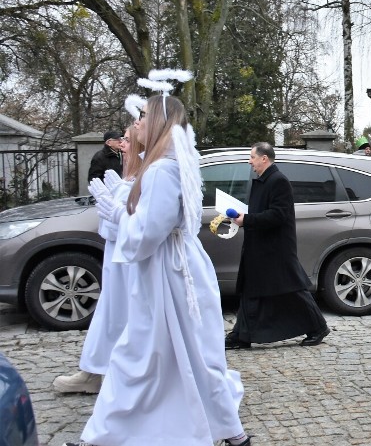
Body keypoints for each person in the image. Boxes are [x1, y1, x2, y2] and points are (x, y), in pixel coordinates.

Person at [65, 93, 250, 446]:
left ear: (160, 124)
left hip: (169, 275)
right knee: (168, 355)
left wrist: (118, 213)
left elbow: (150, 232)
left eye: (145, 117)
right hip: (171, 272)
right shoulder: (171, 164)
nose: (139, 123)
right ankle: (103, 436)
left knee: (152, 354)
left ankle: (231, 433)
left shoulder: (164, 169)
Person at [54, 125, 143, 394]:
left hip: (129, 265)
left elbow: (134, 228)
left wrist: (116, 209)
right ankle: (93, 371)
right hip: (117, 264)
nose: (122, 145)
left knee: (121, 320)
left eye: (127, 141)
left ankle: (108, 375)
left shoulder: (147, 177)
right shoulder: (129, 175)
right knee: (109, 318)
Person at [226, 142, 330, 349]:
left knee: (292, 290)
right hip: (261, 246)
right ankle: (242, 335)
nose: (250, 161)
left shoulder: (278, 181)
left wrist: (247, 220)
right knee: (251, 290)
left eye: (252, 157)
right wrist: (244, 217)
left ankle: (318, 327)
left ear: (264, 158)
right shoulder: (266, 180)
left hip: (275, 249)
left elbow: (279, 215)